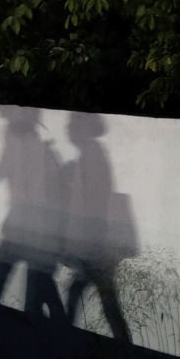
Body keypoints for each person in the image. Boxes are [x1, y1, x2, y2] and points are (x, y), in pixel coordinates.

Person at [0, 107, 65, 319]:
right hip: (23, 219)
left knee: (30, 277)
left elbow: (38, 188)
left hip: (34, 222)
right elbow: (3, 168)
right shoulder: (14, 138)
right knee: (16, 272)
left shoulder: (36, 147)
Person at [60, 113, 132, 342]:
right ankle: (125, 348)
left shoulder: (92, 154)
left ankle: (63, 343)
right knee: (104, 301)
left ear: (85, 128)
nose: (69, 129)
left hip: (96, 242)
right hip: (97, 241)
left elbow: (95, 199)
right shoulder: (90, 154)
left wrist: (70, 182)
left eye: (73, 125)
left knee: (97, 299)